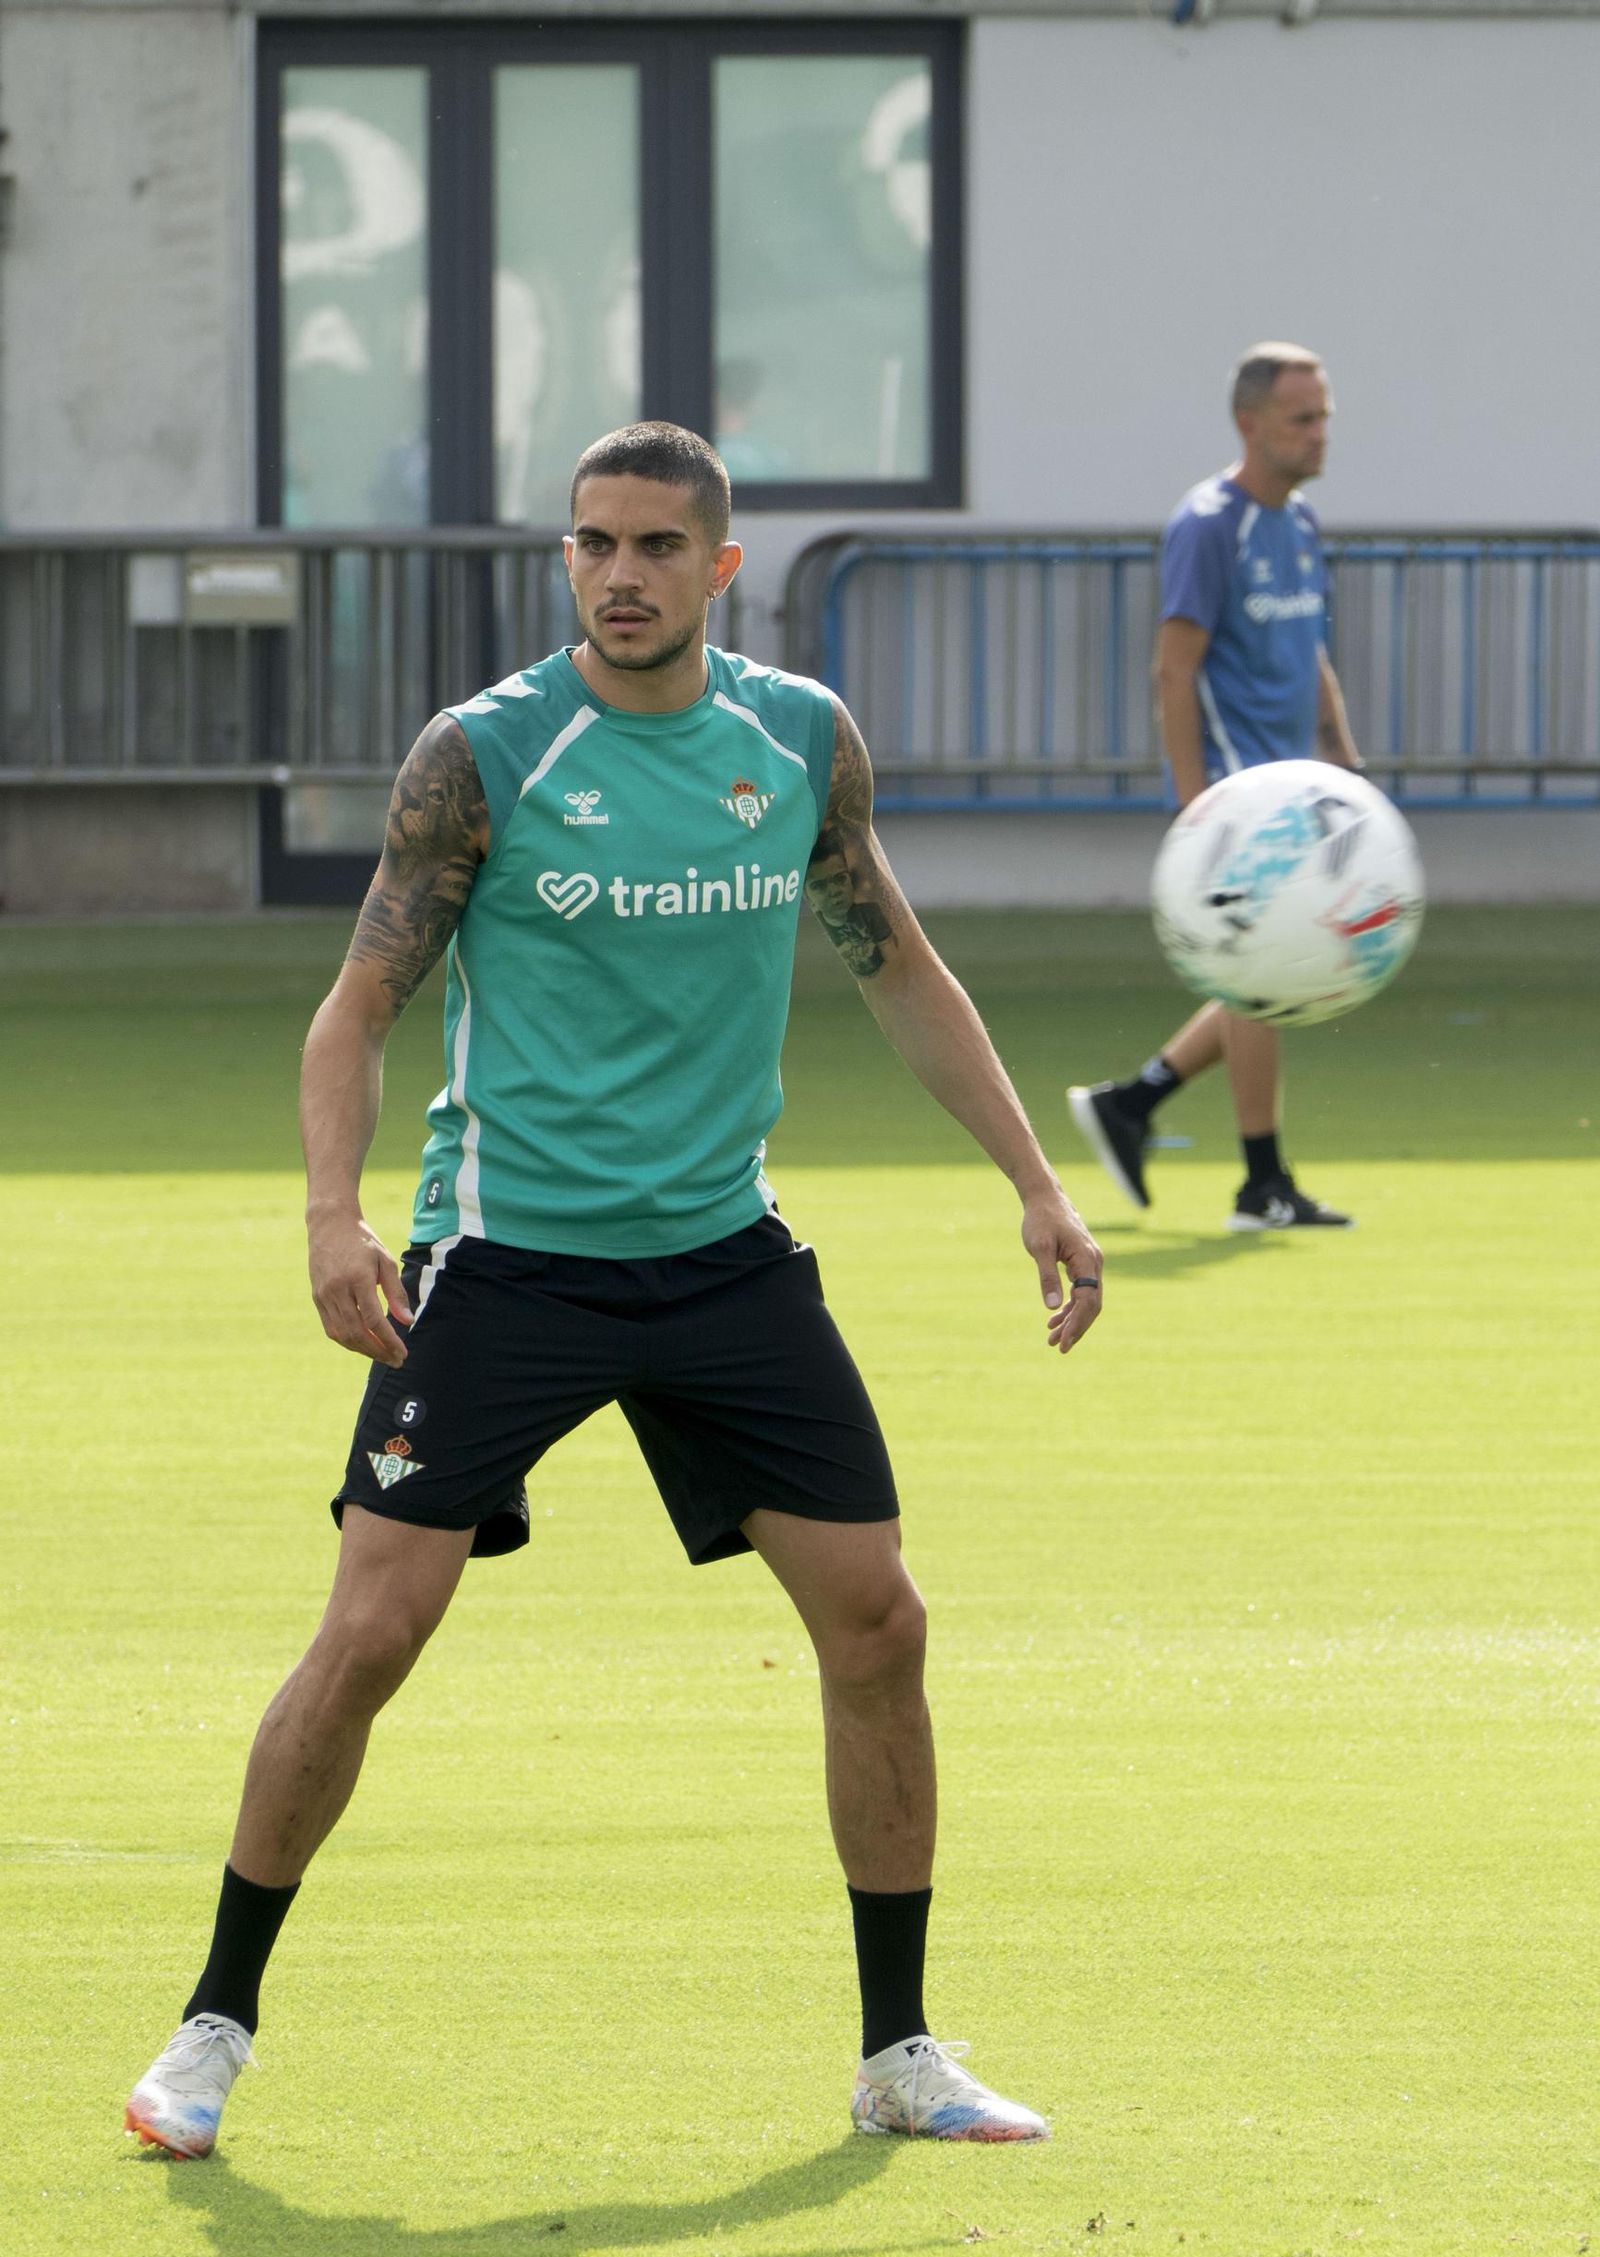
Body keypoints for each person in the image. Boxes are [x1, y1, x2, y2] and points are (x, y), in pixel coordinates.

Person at [125, 422, 1104, 2161]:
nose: (622, 573)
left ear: (723, 567)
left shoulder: (797, 739)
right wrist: (332, 1214)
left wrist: (1035, 1182)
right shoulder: (486, 754)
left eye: (658, 545)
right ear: (565, 558)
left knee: (880, 1623)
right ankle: (211, 2025)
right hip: (507, 1263)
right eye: (594, 543)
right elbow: (355, 1008)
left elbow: (901, 968)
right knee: (371, 1635)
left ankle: (899, 2053)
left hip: (723, 1257)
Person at [1069, 341, 1365, 1231]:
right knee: (1268, 972)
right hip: (1240, 801)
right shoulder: (1207, 523)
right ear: (1250, 423)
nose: (1319, 436)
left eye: (1324, 418)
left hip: (1299, 795)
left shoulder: (1300, 522)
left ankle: (1135, 1102)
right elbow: (1173, 670)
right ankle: (1260, 1185)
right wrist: (1198, 805)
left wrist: (1343, 758)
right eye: (1300, 420)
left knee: (1263, 981)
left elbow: (1307, 646)